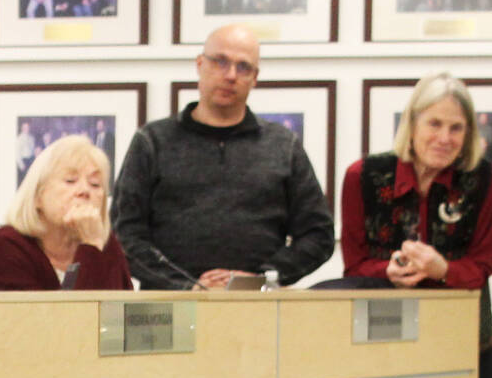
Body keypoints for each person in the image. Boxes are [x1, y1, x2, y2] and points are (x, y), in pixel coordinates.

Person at [337, 73, 492, 378]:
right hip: (381, 350)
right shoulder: (362, 176)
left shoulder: (484, 181)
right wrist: (388, 270)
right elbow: (354, 264)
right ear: (411, 124)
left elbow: (481, 265)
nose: (445, 138)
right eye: (435, 124)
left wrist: (442, 270)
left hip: (463, 347)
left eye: (456, 128)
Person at [111, 24, 333, 290]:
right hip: (170, 308)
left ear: (255, 78)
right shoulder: (152, 141)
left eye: (243, 67)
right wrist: (187, 286)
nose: (230, 75)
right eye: (220, 62)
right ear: (200, 64)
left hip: (257, 306)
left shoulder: (283, 145)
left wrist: (260, 280)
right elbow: (123, 235)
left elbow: (318, 235)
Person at [0, 135, 133, 291]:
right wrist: (90, 248)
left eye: (95, 184)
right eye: (70, 180)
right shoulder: (1, 249)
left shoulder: (105, 245)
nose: (84, 191)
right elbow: (74, 316)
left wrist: (93, 245)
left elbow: (126, 314)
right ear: (37, 196)